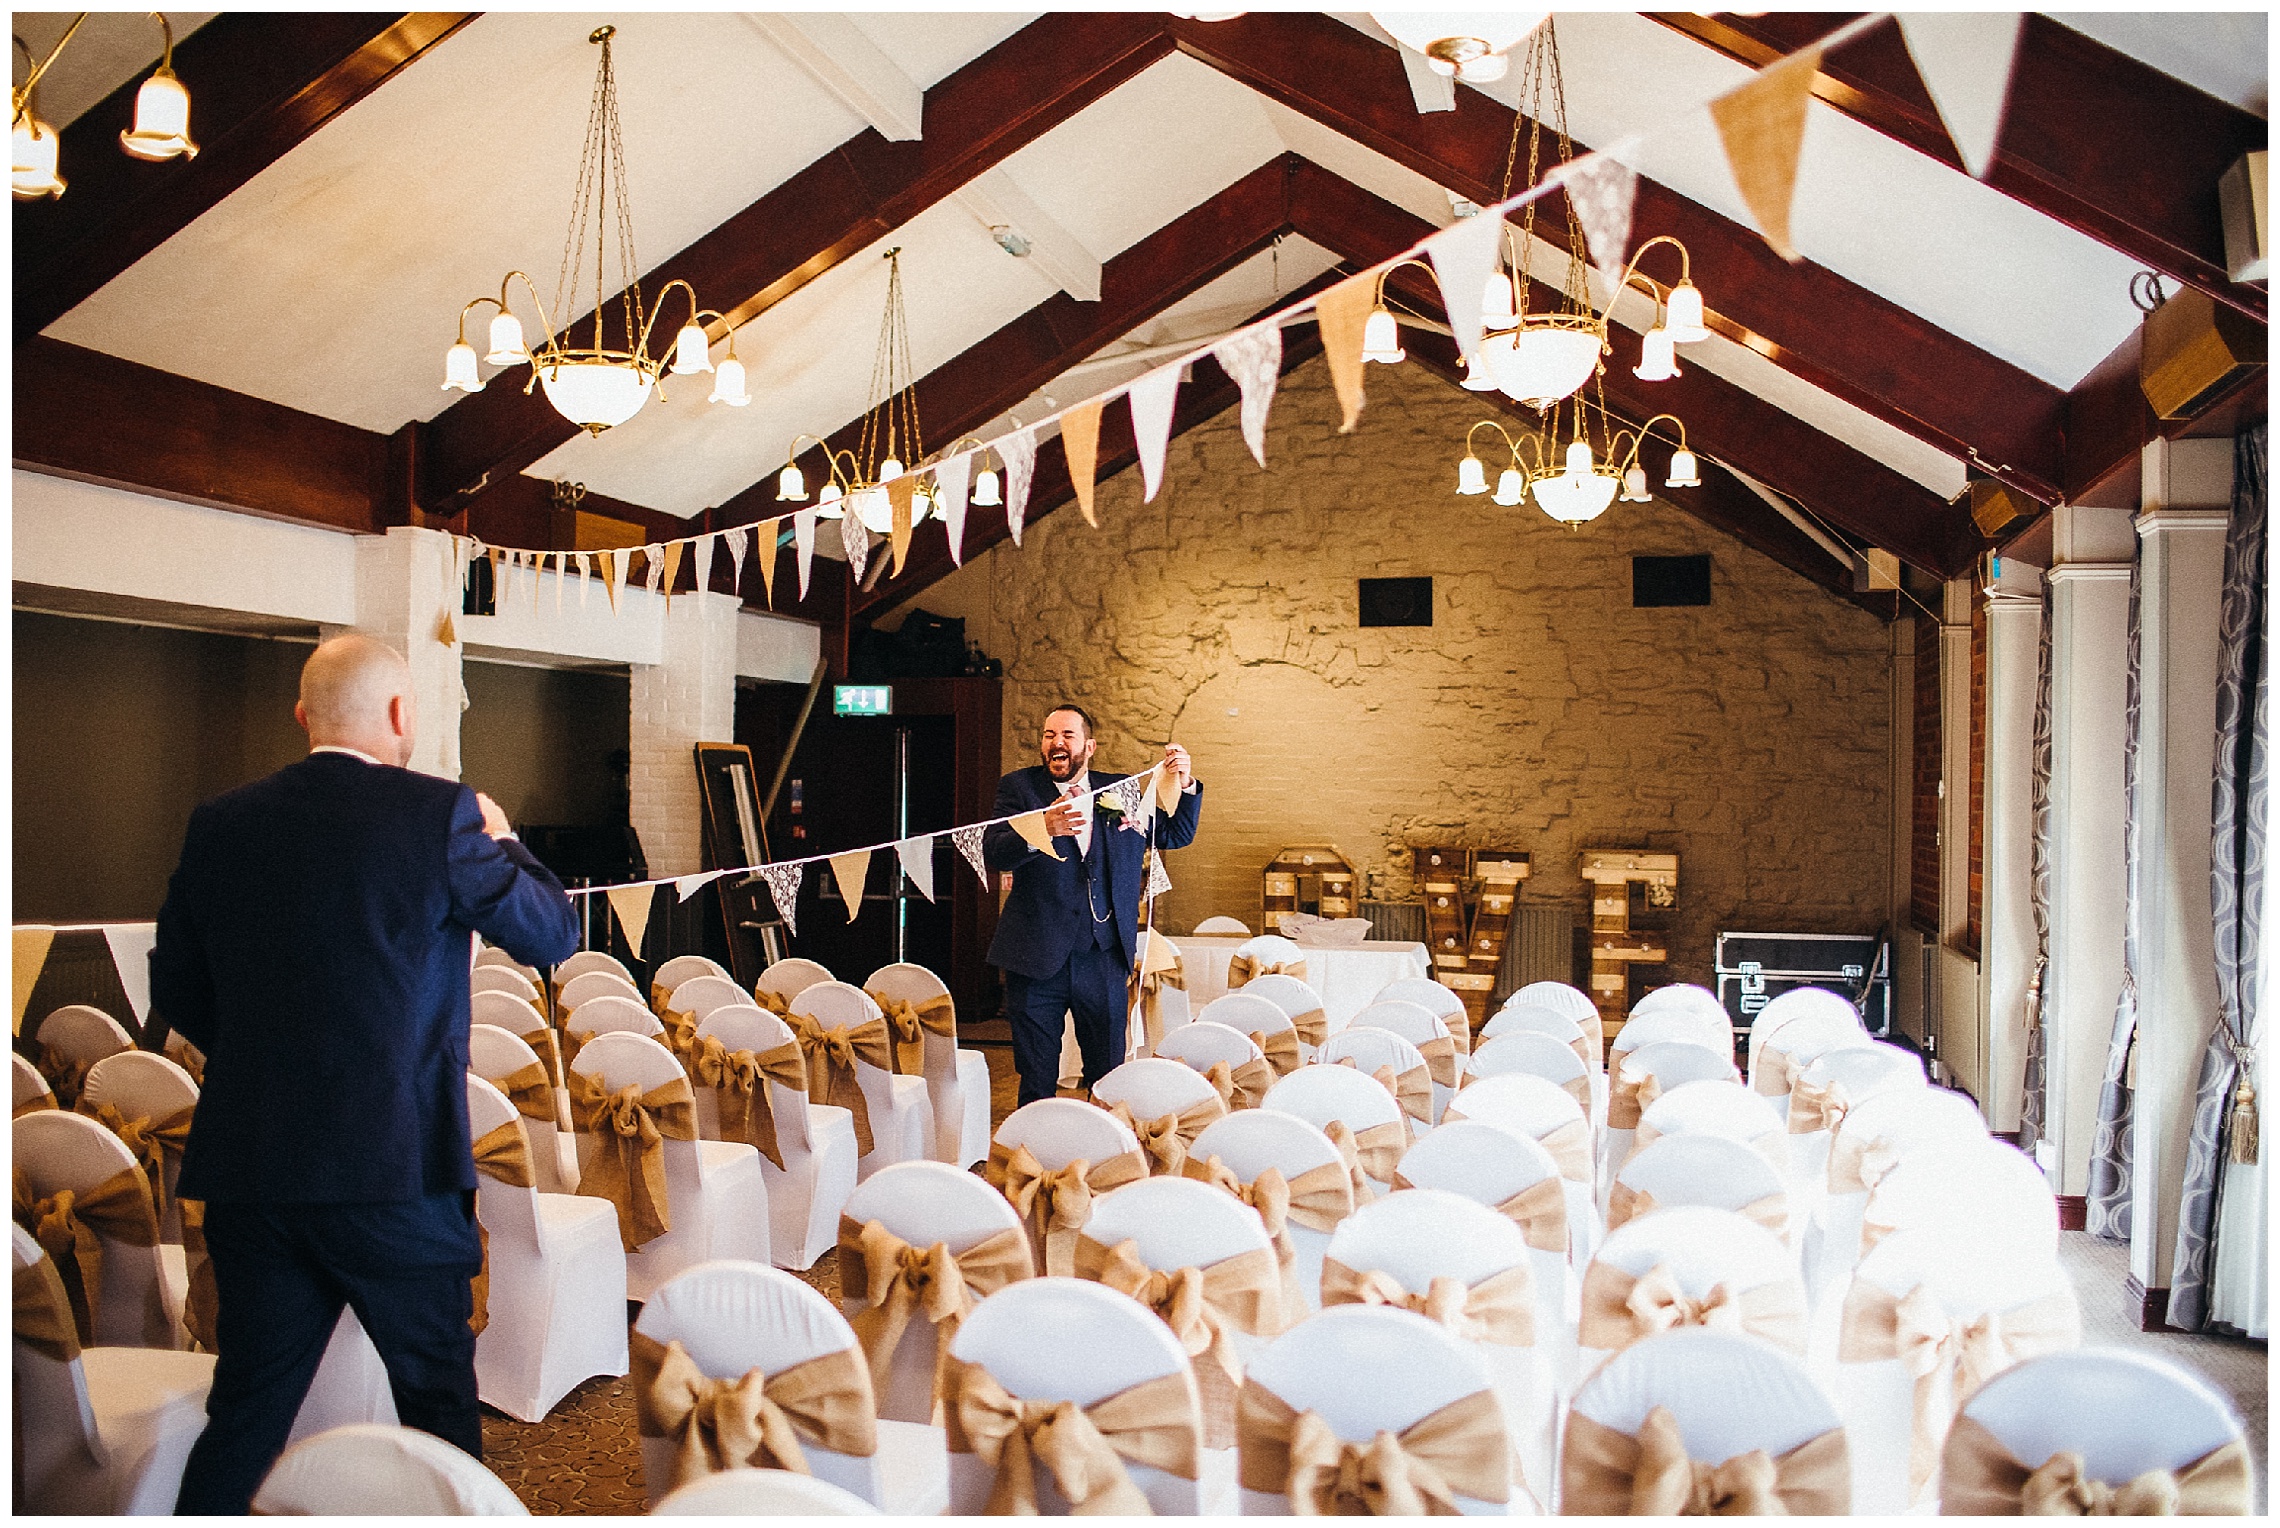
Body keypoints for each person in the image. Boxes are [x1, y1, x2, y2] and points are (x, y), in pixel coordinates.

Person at [152, 634, 580, 1513]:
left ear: (303, 717)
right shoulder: (443, 816)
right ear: (399, 714)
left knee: (246, 1413)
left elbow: (176, 988)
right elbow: (551, 936)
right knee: (435, 1414)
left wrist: (273, 1058)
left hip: (254, 1174)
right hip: (396, 1172)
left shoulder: (220, 821)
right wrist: (507, 840)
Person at [984, 704, 1201, 1106]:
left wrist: (1185, 785)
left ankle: (1104, 1157)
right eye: (1049, 735)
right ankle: (1036, 1162)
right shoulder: (1019, 789)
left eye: (1067, 735)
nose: (1056, 744)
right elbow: (995, 851)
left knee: (1108, 1076)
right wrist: (1040, 830)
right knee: (1037, 1077)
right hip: (1034, 957)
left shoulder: (1122, 791)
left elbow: (1176, 833)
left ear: (1089, 745)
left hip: (1103, 957)